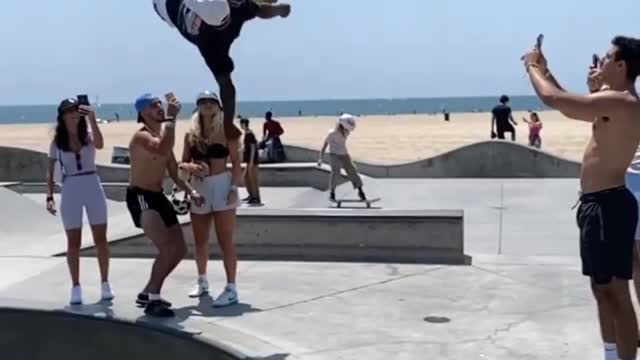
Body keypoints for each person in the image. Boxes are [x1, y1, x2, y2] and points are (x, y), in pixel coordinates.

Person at [523, 35, 640, 360]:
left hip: (609, 206)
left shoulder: (623, 102)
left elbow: (553, 99)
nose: (600, 62)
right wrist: (546, 70)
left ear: (621, 65)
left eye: (607, 57)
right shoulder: (613, 101)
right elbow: (568, 102)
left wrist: (533, 66)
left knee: (616, 293)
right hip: (597, 205)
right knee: (602, 290)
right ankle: (611, 354)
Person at [152, 0, 291, 141]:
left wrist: (228, 125)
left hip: (174, 10)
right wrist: (278, 11)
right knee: (248, 8)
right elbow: (259, 10)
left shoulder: (210, 43)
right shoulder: (227, 19)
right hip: (177, 10)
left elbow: (227, 88)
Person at [126, 93, 205, 317]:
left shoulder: (163, 138)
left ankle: (148, 291)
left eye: (160, 104)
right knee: (166, 248)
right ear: (142, 112)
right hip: (141, 196)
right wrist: (171, 119)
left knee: (179, 249)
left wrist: (192, 191)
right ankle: (154, 299)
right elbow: (160, 148)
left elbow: (174, 173)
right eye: (153, 106)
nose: (159, 107)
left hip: (159, 197)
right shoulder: (141, 137)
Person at [46, 98, 113, 305]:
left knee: (100, 238)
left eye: (77, 110)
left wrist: (91, 117)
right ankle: (75, 285)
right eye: (69, 110)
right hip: (71, 187)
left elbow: (101, 145)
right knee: (73, 242)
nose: (74, 113)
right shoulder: (57, 142)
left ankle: (105, 283)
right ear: (62, 115)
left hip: (92, 183)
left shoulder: (89, 136)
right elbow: (50, 172)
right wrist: (49, 196)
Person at [179, 91, 242, 307]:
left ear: (218, 106)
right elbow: (182, 163)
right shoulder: (191, 134)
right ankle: (202, 280)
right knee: (200, 240)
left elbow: (235, 162)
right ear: (197, 106)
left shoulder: (227, 131)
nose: (207, 105)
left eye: (211, 102)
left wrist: (234, 186)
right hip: (200, 186)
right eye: (203, 102)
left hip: (222, 183)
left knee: (226, 240)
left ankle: (231, 287)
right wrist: (192, 167)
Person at [318, 114, 367, 201]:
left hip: (344, 154)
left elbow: (349, 125)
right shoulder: (332, 133)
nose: (347, 130)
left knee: (352, 171)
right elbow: (325, 145)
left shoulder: (346, 132)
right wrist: (320, 158)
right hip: (334, 155)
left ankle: (360, 191)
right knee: (335, 172)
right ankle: (332, 193)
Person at [240, 117, 261, 204]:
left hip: (252, 160)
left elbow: (253, 148)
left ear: (244, 124)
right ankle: (251, 195)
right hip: (249, 160)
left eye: (241, 124)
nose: (240, 126)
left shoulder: (249, 134)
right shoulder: (247, 133)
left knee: (253, 179)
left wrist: (252, 161)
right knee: (246, 177)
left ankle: (256, 197)